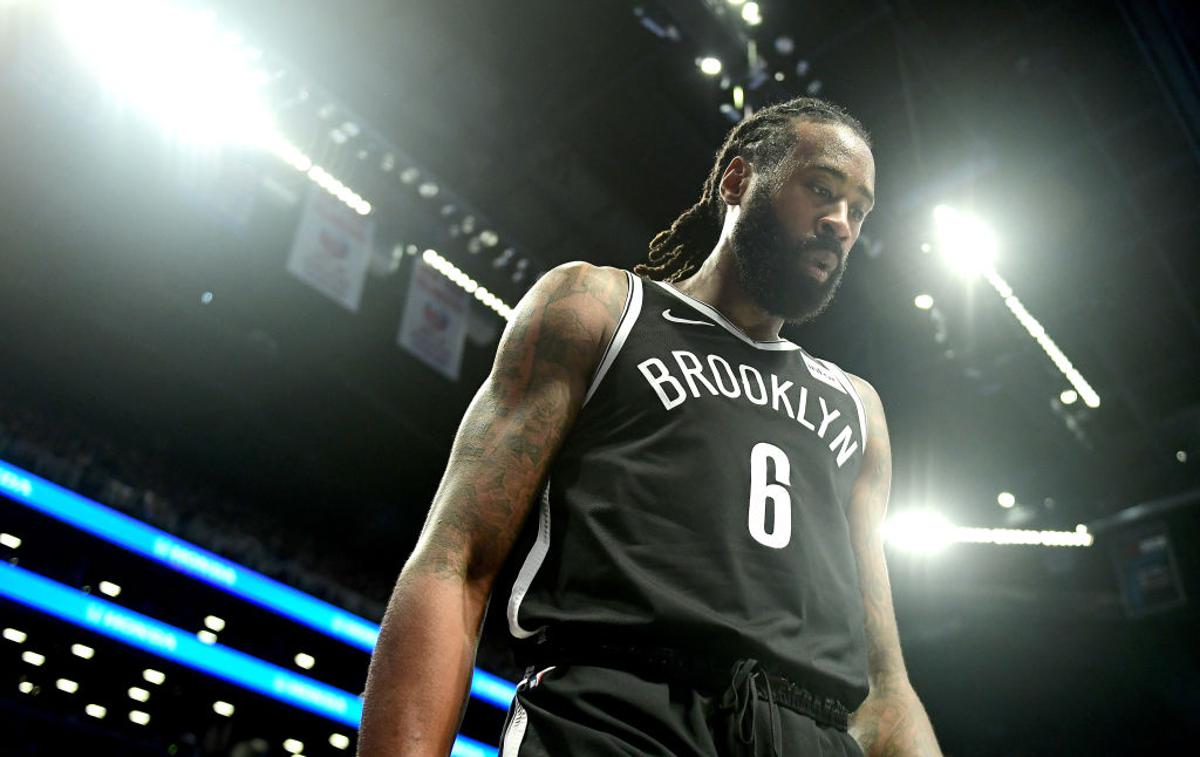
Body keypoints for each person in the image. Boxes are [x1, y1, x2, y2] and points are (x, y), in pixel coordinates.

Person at [358, 97, 942, 756]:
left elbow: (883, 682)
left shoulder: (855, 406)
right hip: (620, 717)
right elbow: (454, 562)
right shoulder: (599, 309)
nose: (840, 222)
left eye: (858, 211)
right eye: (821, 189)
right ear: (737, 181)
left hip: (809, 735)